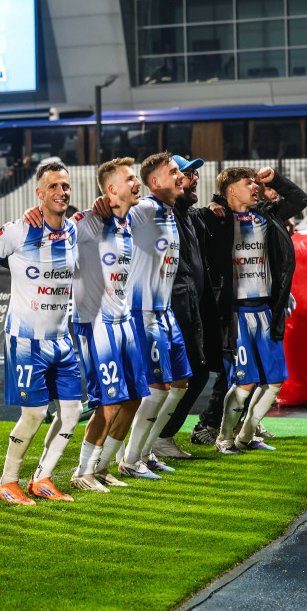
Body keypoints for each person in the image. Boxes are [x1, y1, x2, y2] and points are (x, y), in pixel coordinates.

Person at [200, 166, 307, 454]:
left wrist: (277, 180)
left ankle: (245, 437)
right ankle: (223, 439)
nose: (254, 185)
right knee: (244, 383)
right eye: (247, 182)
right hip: (236, 313)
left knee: (274, 381)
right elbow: (190, 218)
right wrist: (214, 203)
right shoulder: (215, 218)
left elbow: (300, 200)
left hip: (266, 308)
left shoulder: (266, 214)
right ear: (231, 190)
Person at [0, 163, 81, 505]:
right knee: (34, 414)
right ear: (39, 193)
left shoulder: (73, 229)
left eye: (65, 186)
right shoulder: (20, 230)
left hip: (62, 339)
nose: (62, 191)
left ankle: (42, 478)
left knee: (72, 413)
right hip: (27, 341)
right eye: (54, 186)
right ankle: (7, 481)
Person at [66, 158, 148, 492]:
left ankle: (101, 467)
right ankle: (82, 472)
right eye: (130, 178)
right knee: (109, 402)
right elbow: (58, 232)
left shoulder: (131, 221)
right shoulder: (87, 221)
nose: (137, 182)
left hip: (124, 321)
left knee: (133, 399)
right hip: (95, 323)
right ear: (112, 189)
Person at [116, 152, 190, 478]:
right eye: (173, 172)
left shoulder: (170, 213)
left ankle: (146, 452)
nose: (180, 176)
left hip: (165, 311)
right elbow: (114, 213)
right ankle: (130, 460)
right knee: (157, 388)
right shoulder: (145, 209)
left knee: (180, 384)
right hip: (143, 312)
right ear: (155, 182)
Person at [155, 155, 215, 459]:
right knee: (181, 378)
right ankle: (156, 438)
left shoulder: (189, 215)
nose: (191, 179)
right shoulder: (159, 212)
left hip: (189, 308)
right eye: (184, 173)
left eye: (190, 174)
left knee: (194, 375)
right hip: (172, 310)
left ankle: (158, 438)